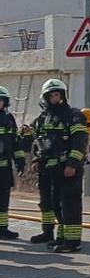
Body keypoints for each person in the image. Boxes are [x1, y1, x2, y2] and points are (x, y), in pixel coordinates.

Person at [28, 78, 88, 252]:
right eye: (52, 95)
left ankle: (72, 242)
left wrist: (72, 164)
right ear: (45, 97)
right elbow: (38, 142)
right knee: (56, 205)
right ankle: (61, 238)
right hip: (50, 170)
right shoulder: (43, 118)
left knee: (70, 205)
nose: (56, 98)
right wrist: (36, 160)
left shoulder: (74, 116)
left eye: (58, 94)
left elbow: (79, 142)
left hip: (68, 169)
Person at [0, 86, 26, 240]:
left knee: (3, 201)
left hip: (4, 169)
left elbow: (16, 143)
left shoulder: (9, 119)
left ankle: (2, 229)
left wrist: (20, 161)